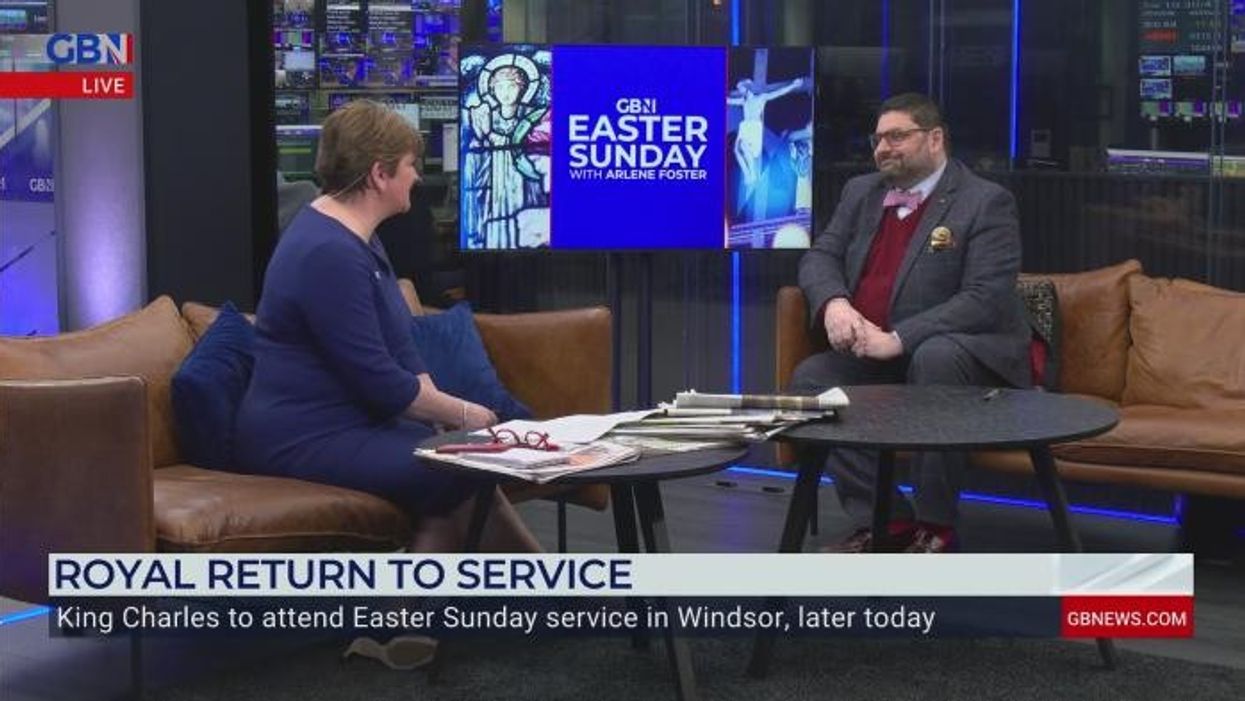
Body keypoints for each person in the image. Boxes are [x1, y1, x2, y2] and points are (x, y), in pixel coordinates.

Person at [235, 100, 542, 557]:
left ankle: (534, 584)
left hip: (354, 425)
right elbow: (377, 378)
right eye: (410, 165)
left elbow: (401, 347)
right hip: (303, 436)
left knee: (465, 465)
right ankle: (545, 586)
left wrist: (444, 413)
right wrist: (466, 414)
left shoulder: (359, 236)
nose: (416, 177)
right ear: (380, 174)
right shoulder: (327, 253)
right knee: (460, 467)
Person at [792, 93, 1030, 554]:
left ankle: (935, 526)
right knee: (812, 381)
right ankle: (887, 521)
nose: (883, 148)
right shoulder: (860, 192)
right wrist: (835, 304)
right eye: (878, 139)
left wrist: (900, 339)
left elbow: (985, 298)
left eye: (897, 136)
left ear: (935, 139)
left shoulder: (985, 201)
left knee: (935, 356)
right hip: (875, 351)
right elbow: (821, 256)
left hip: (961, 355)